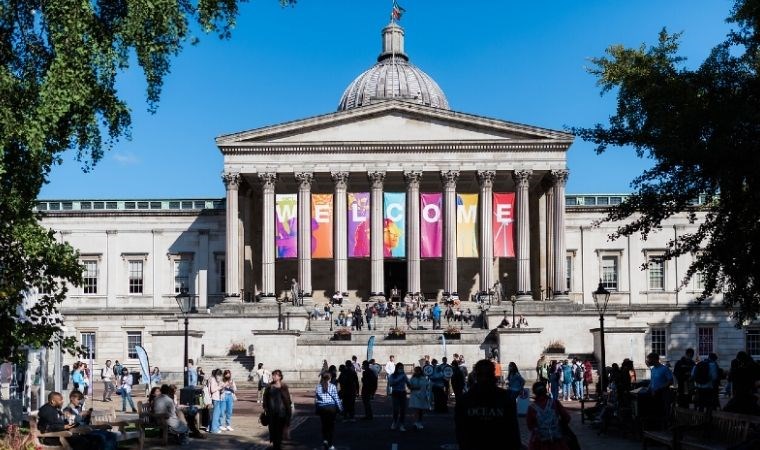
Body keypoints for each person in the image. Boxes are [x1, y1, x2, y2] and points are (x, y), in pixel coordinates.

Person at [455, 359, 521, 450]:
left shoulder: (464, 400)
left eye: (486, 375)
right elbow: (513, 431)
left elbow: (460, 432)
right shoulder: (506, 398)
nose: (484, 378)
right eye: (482, 375)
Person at [37, 391, 113, 450]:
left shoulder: (53, 409)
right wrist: (64, 426)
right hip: (57, 437)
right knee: (86, 441)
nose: (62, 401)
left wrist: (66, 421)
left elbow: (56, 422)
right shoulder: (47, 411)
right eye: (60, 400)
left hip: (64, 433)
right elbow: (48, 427)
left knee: (94, 439)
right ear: (53, 401)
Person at [526, 381, 571, 450]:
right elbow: (567, 417)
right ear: (545, 390)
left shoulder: (532, 408)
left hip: (540, 442)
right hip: (557, 440)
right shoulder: (554, 403)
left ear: (535, 393)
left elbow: (530, 425)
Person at [263, 369, 292, 450]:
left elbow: (288, 401)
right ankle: (276, 446)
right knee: (273, 433)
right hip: (271, 414)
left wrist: (288, 413)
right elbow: (265, 398)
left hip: (281, 413)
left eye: (275, 375)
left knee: (279, 434)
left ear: (280, 377)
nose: (273, 377)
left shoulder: (284, 387)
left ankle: (277, 446)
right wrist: (265, 407)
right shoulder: (269, 387)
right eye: (273, 375)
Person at [315, 372, 343, 450]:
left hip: (322, 408)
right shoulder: (332, 386)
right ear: (330, 378)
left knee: (324, 426)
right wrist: (340, 408)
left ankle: (325, 441)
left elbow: (316, 399)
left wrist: (316, 408)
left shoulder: (318, 387)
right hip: (331, 408)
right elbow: (336, 398)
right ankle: (330, 444)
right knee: (331, 426)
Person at [388, 362, 411, 431]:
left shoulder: (404, 375)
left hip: (403, 393)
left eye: (402, 368)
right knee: (395, 409)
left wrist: (412, 388)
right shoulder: (392, 375)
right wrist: (400, 378)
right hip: (395, 393)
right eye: (400, 368)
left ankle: (402, 424)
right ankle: (394, 422)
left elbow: (408, 383)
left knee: (403, 410)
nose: (401, 369)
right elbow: (391, 384)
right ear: (397, 368)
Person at [207, 368, 223, 433]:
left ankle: (211, 427)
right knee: (215, 414)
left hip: (214, 398)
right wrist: (220, 387)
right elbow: (212, 389)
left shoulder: (211, 379)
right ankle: (214, 429)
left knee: (213, 414)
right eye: (219, 375)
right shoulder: (213, 379)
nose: (219, 377)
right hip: (215, 398)